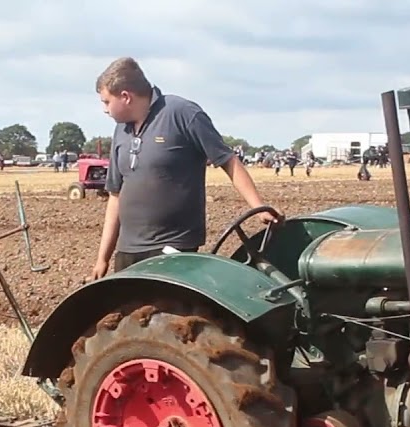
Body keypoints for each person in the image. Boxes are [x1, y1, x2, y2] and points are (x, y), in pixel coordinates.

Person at [89, 57, 276, 280]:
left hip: (173, 250)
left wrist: (259, 206)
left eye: (106, 102)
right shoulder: (121, 131)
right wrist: (103, 258)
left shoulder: (182, 114)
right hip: (129, 250)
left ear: (125, 97)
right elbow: (115, 196)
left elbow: (228, 160)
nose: (104, 109)